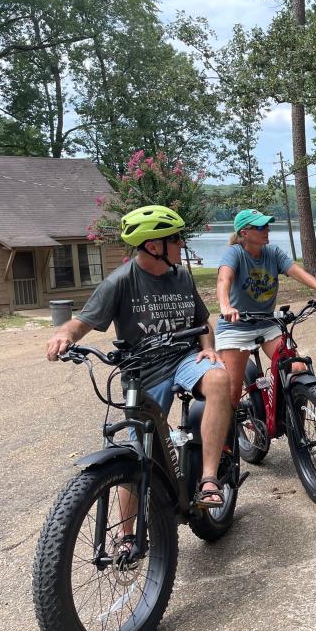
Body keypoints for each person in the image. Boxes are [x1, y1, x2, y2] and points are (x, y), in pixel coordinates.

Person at [45, 205, 233, 509]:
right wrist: (64, 334)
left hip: (184, 359)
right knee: (136, 450)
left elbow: (202, 322)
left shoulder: (182, 276)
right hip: (144, 370)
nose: (182, 244)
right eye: (176, 239)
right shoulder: (120, 282)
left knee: (219, 378)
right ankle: (125, 536)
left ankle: (208, 480)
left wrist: (208, 348)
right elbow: (82, 322)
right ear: (154, 246)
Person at [216, 209, 316, 408]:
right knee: (232, 390)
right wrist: (225, 306)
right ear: (244, 233)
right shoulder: (234, 253)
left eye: (267, 225)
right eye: (260, 227)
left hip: (267, 323)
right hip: (235, 326)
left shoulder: (273, 253)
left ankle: (295, 424)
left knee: (298, 367)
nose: (267, 230)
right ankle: (231, 436)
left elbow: (296, 271)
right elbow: (224, 279)